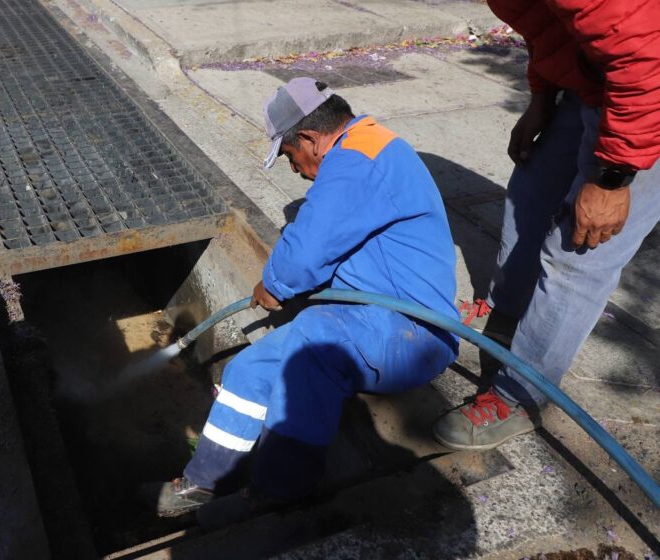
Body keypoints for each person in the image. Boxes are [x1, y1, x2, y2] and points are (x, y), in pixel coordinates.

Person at [143, 77, 460, 529]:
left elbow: (303, 256)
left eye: (291, 155)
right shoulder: (362, 148)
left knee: (313, 343)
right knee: (247, 370)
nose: (294, 169)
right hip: (366, 318)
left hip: (412, 333)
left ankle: (279, 492)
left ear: (310, 138)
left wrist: (272, 283)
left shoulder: (357, 162)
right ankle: (204, 480)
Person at [434, 0, 660, 450]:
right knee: (529, 194)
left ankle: (520, 395)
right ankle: (507, 315)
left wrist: (614, 177)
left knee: (580, 249)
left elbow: (644, 56)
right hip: (594, 78)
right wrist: (542, 97)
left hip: (647, 91)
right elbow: (549, 25)